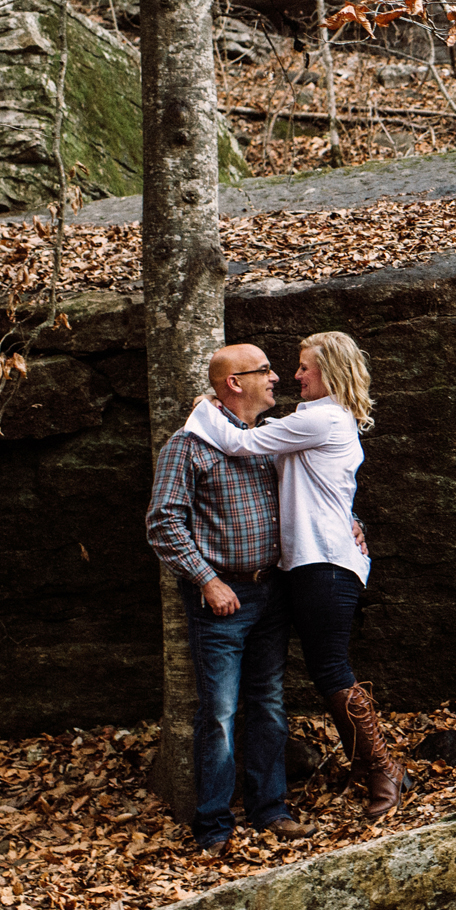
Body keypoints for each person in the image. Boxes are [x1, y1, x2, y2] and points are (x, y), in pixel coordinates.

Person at [183, 330, 407, 815]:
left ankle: (384, 770)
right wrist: (353, 518)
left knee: (331, 669)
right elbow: (321, 492)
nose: (293, 375)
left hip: (324, 562)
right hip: (309, 562)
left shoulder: (323, 419)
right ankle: (373, 767)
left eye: (304, 366)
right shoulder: (313, 420)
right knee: (327, 670)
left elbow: (238, 443)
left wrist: (203, 406)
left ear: (328, 371)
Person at [145, 344, 314, 853]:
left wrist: (353, 523)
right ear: (234, 384)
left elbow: (318, 492)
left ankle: (271, 811)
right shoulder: (188, 444)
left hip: (275, 589)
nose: (276, 375)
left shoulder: (271, 437)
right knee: (218, 714)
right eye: (264, 369)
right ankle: (214, 827)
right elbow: (163, 522)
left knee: (269, 704)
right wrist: (207, 580)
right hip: (224, 598)